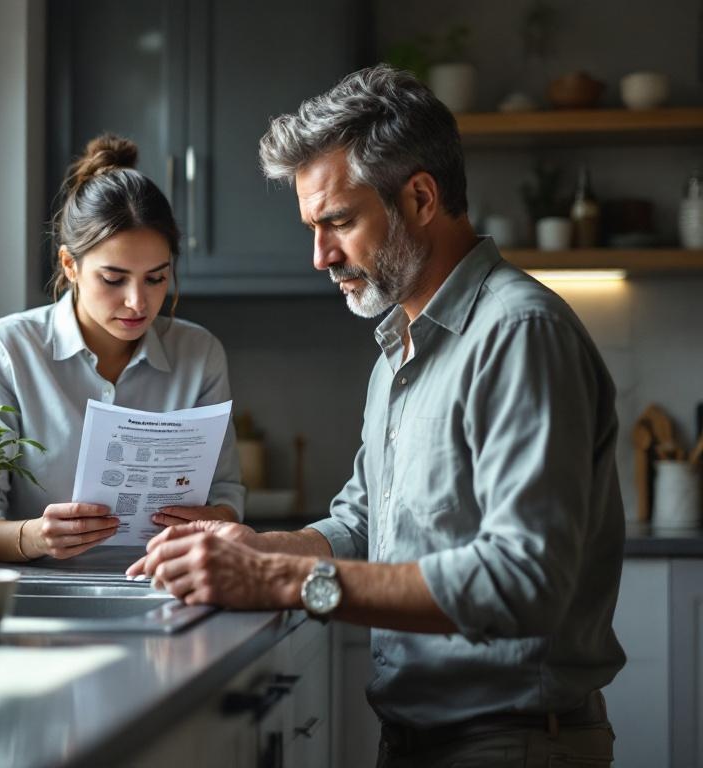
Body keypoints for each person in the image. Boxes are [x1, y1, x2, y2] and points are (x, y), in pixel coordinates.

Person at [131, 65, 625, 766]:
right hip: (421, 739)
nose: (319, 255)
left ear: (420, 196)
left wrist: (280, 582)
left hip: (511, 744)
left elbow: (524, 581)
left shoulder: (519, 333)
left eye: (338, 222)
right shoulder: (398, 346)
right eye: (313, 227)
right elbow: (365, 525)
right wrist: (258, 547)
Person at [0, 134, 244, 562]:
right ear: (70, 265)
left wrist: (206, 519)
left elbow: (226, 500)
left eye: (156, 278)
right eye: (113, 279)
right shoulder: (4, 350)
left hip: (166, 589)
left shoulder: (199, 354)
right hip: (39, 601)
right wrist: (35, 537)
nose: (137, 302)